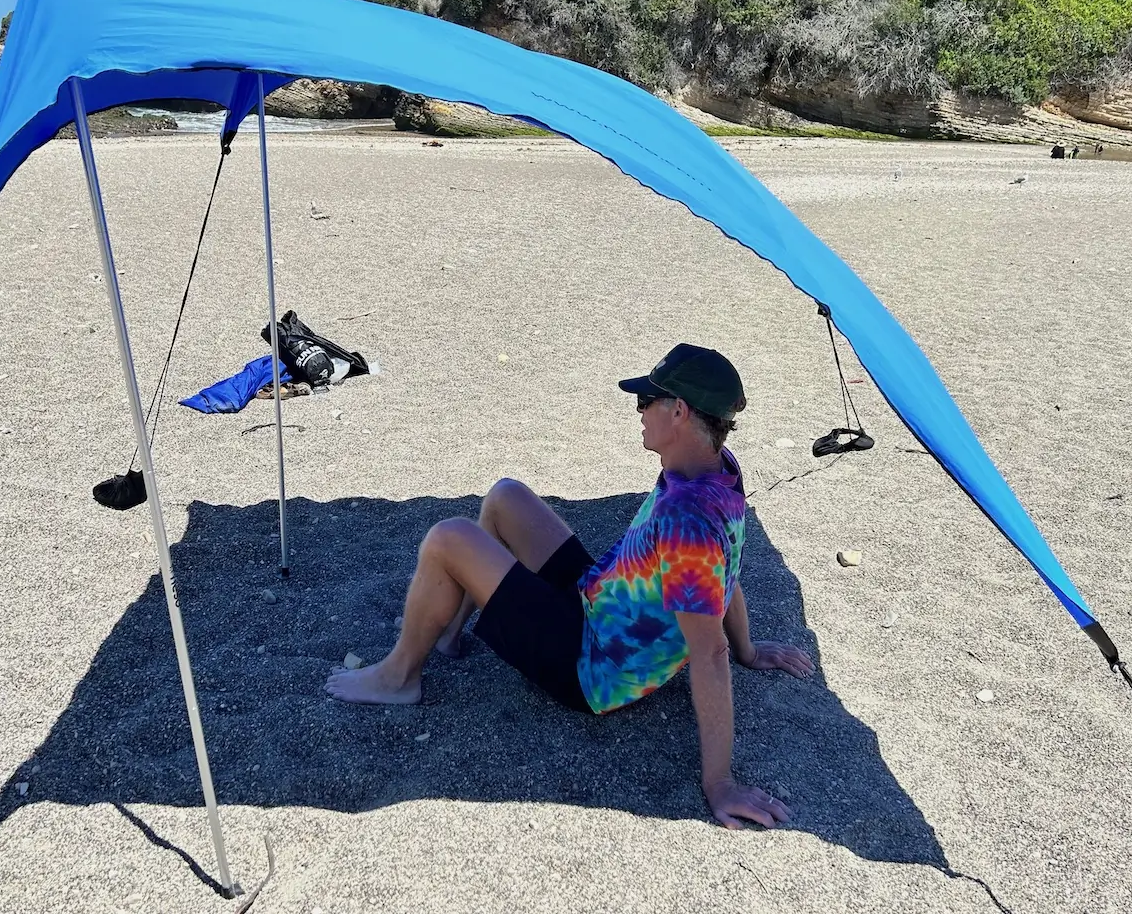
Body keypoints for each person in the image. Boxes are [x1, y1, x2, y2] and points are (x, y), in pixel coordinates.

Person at [325, 343, 816, 829]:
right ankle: (448, 633)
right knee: (505, 497)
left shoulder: (688, 521)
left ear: (680, 412)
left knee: (448, 538)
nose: (639, 411)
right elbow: (724, 573)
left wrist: (720, 783)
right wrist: (749, 650)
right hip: (596, 603)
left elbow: (708, 653)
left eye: (647, 401)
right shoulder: (716, 469)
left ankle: (399, 678)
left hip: (591, 668)